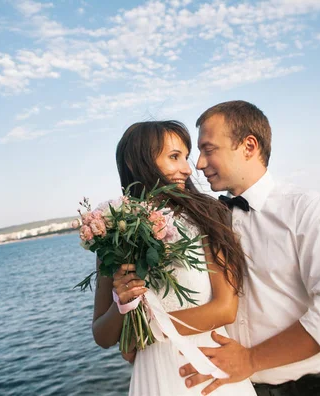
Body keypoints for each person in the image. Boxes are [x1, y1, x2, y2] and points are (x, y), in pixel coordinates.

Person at [178, 101, 320, 396]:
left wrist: (250, 359)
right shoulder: (208, 221)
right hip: (237, 389)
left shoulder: (305, 207)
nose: (198, 164)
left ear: (248, 146)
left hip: (309, 388)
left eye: (208, 149)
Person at [91, 121, 256, 396]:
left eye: (185, 157)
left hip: (206, 370)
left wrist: (142, 333)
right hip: (151, 378)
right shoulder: (113, 234)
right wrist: (121, 306)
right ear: (136, 160)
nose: (188, 169)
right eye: (174, 157)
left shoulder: (208, 217)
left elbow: (225, 308)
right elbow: (102, 334)